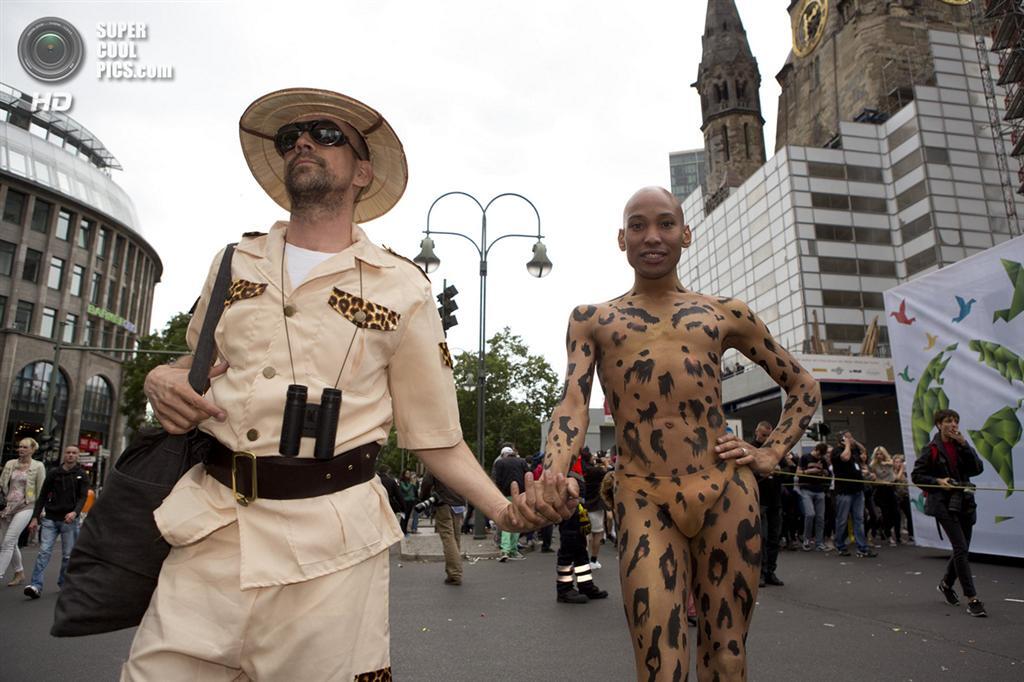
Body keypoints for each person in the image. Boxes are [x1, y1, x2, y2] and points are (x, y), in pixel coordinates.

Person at [127, 87, 576, 680]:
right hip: (209, 538)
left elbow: (434, 434)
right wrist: (159, 379)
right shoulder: (233, 261)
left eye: (328, 134)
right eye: (292, 138)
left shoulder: (403, 286)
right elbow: (191, 371)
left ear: (362, 172)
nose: (304, 143)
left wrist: (504, 510)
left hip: (331, 557)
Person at [543, 186, 820, 681]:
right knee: (660, 667)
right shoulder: (593, 320)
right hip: (643, 496)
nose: (652, 236)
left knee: (728, 659)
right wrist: (555, 471)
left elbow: (803, 386)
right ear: (621, 239)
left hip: (727, 492)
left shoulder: (725, 313)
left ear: (686, 234)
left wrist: (770, 453)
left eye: (666, 223)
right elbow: (572, 403)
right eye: (638, 225)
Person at [911, 409, 987, 617]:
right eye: (948, 421)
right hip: (943, 504)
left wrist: (965, 445)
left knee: (962, 549)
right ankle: (972, 599)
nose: (953, 424)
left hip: (964, 502)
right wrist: (938, 482)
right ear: (939, 425)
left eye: (955, 421)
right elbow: (916, 475)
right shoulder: (932, 449)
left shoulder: (961, 445)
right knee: (960, 548)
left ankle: (946, 584)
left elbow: (977, 468)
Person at [23, 445, 89, 599]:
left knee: (67, 556)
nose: (71, 455)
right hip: (50, 519)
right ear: (63, 454)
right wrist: (35, 517)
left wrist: (75, 512)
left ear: (77, 456)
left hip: (69, 521)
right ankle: (35, 586)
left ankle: (63, 583)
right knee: (43, 552)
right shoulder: (54, 473)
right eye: (68, 452)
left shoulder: (81, 475)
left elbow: (83, 497)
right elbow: (43, 496)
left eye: (74, 453)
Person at [555, 463, 609, 604]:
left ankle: (585, 586)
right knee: (567, 555)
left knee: (581, 554)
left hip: (578, 516)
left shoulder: (575, 472)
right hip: (569, 518)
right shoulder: (563, 472)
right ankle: (564, 589)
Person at [0, 439, 46, 587]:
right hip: (7, 507)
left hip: (26, 506)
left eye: (25, 447)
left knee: (7, 542)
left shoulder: (38, 466)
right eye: (19, 446)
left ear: (33, 449)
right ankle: (19, 572)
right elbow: (2, 485)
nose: (21, 449)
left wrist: (37, 516)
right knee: (10, 543)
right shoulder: (10, 464)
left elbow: (41, 492)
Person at [830, 432, 878, 559]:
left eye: (851, 436)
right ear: (842, 440)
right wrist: (846, 445)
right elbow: (845, 458)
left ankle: (862, 548)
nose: (851, 439)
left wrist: (854, 441)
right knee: (842, 520)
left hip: (858, 491)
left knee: (859, 519)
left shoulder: (854, 451)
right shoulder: (836, 451)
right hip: (844, 492)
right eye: (848, 437)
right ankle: (840, 545)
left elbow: (863, 451)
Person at [419, 470, 465, 585]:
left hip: (443, 502)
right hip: (459, 502)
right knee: (456, 537)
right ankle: (454, 570)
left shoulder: (435, 462)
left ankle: (454, 573)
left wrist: (424, 499)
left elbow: (426, 483)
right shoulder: (458, 462)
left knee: (448, 537)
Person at [753, 421, 784, 587]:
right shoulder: (751, 448)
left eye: (768, 436)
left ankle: (771, 571)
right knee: (762, 538)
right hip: (760, 500)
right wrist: (764, 472)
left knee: (774, 537)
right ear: (757, 433)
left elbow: (788, 470)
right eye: (763, 435)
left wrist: (784, 468)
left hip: (775, 500)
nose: (765, 439)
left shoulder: (775, 450)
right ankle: (761, 573)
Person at [492, 445, 532, 561]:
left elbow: (496, 479)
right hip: (520, 495)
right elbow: (528, 476)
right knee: (517, 521)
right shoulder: (522, 462)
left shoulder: (500, 463)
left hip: (505, 495)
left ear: (504, 454)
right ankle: (514, 549)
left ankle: (505, 549)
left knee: (506, 521)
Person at [797, 442, 830, 551]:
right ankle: (806, 539)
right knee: (810, 514)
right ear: (815, 449)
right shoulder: (805, 457)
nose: (819, 457)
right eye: (818, 454)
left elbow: (828, 473)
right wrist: (809, 471)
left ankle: (819, 542)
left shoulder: (823, 460)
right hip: (806, 489)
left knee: (820, 517)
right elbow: (798, 473)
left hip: (820, 490)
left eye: (821, 455)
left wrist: (823, 471)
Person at [581, 448, 607, 569]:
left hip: (582, 505)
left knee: (585, 534)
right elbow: (610, 473)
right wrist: (604, 463)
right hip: (596, 506)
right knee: (597, 534)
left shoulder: (582, 470)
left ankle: (583, 559)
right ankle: (593, 560)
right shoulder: (597, 471)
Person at [870, 447, 900, 546]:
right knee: (886, 514)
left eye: (881, 454)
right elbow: (873, 481)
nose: (879, 456)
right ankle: (889, 536)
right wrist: (883, 482)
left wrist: (886, 463)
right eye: (877, 454)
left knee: (896, 514)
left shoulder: (889, 462)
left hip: (891, 490)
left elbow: (893, 464)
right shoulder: (873, 465)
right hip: (880, 491)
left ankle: (883, 529)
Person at [893, 454, 915, 544]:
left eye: (900, 462)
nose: (898, 464)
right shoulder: (892, 472)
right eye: (896, 462)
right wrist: (902, 469)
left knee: (909, 515)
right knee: (897, 517)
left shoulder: (905, 473)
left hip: (905, 496)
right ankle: (897, 537)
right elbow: (896, 479)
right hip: (896, 497)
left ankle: (911, 535)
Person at [399, 470, 419, 535]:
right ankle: (402, 530)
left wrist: (415, 484)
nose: (408, 474)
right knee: (404, 516)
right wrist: (411, 483)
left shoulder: (409, 482)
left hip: (411, 500)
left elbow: (414, 489)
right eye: (407, 473)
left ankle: (405, 530)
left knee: (408, 516)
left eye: (409, 473)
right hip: (405, 501)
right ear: (404, 474)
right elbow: (406, 489)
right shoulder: (402, 482)